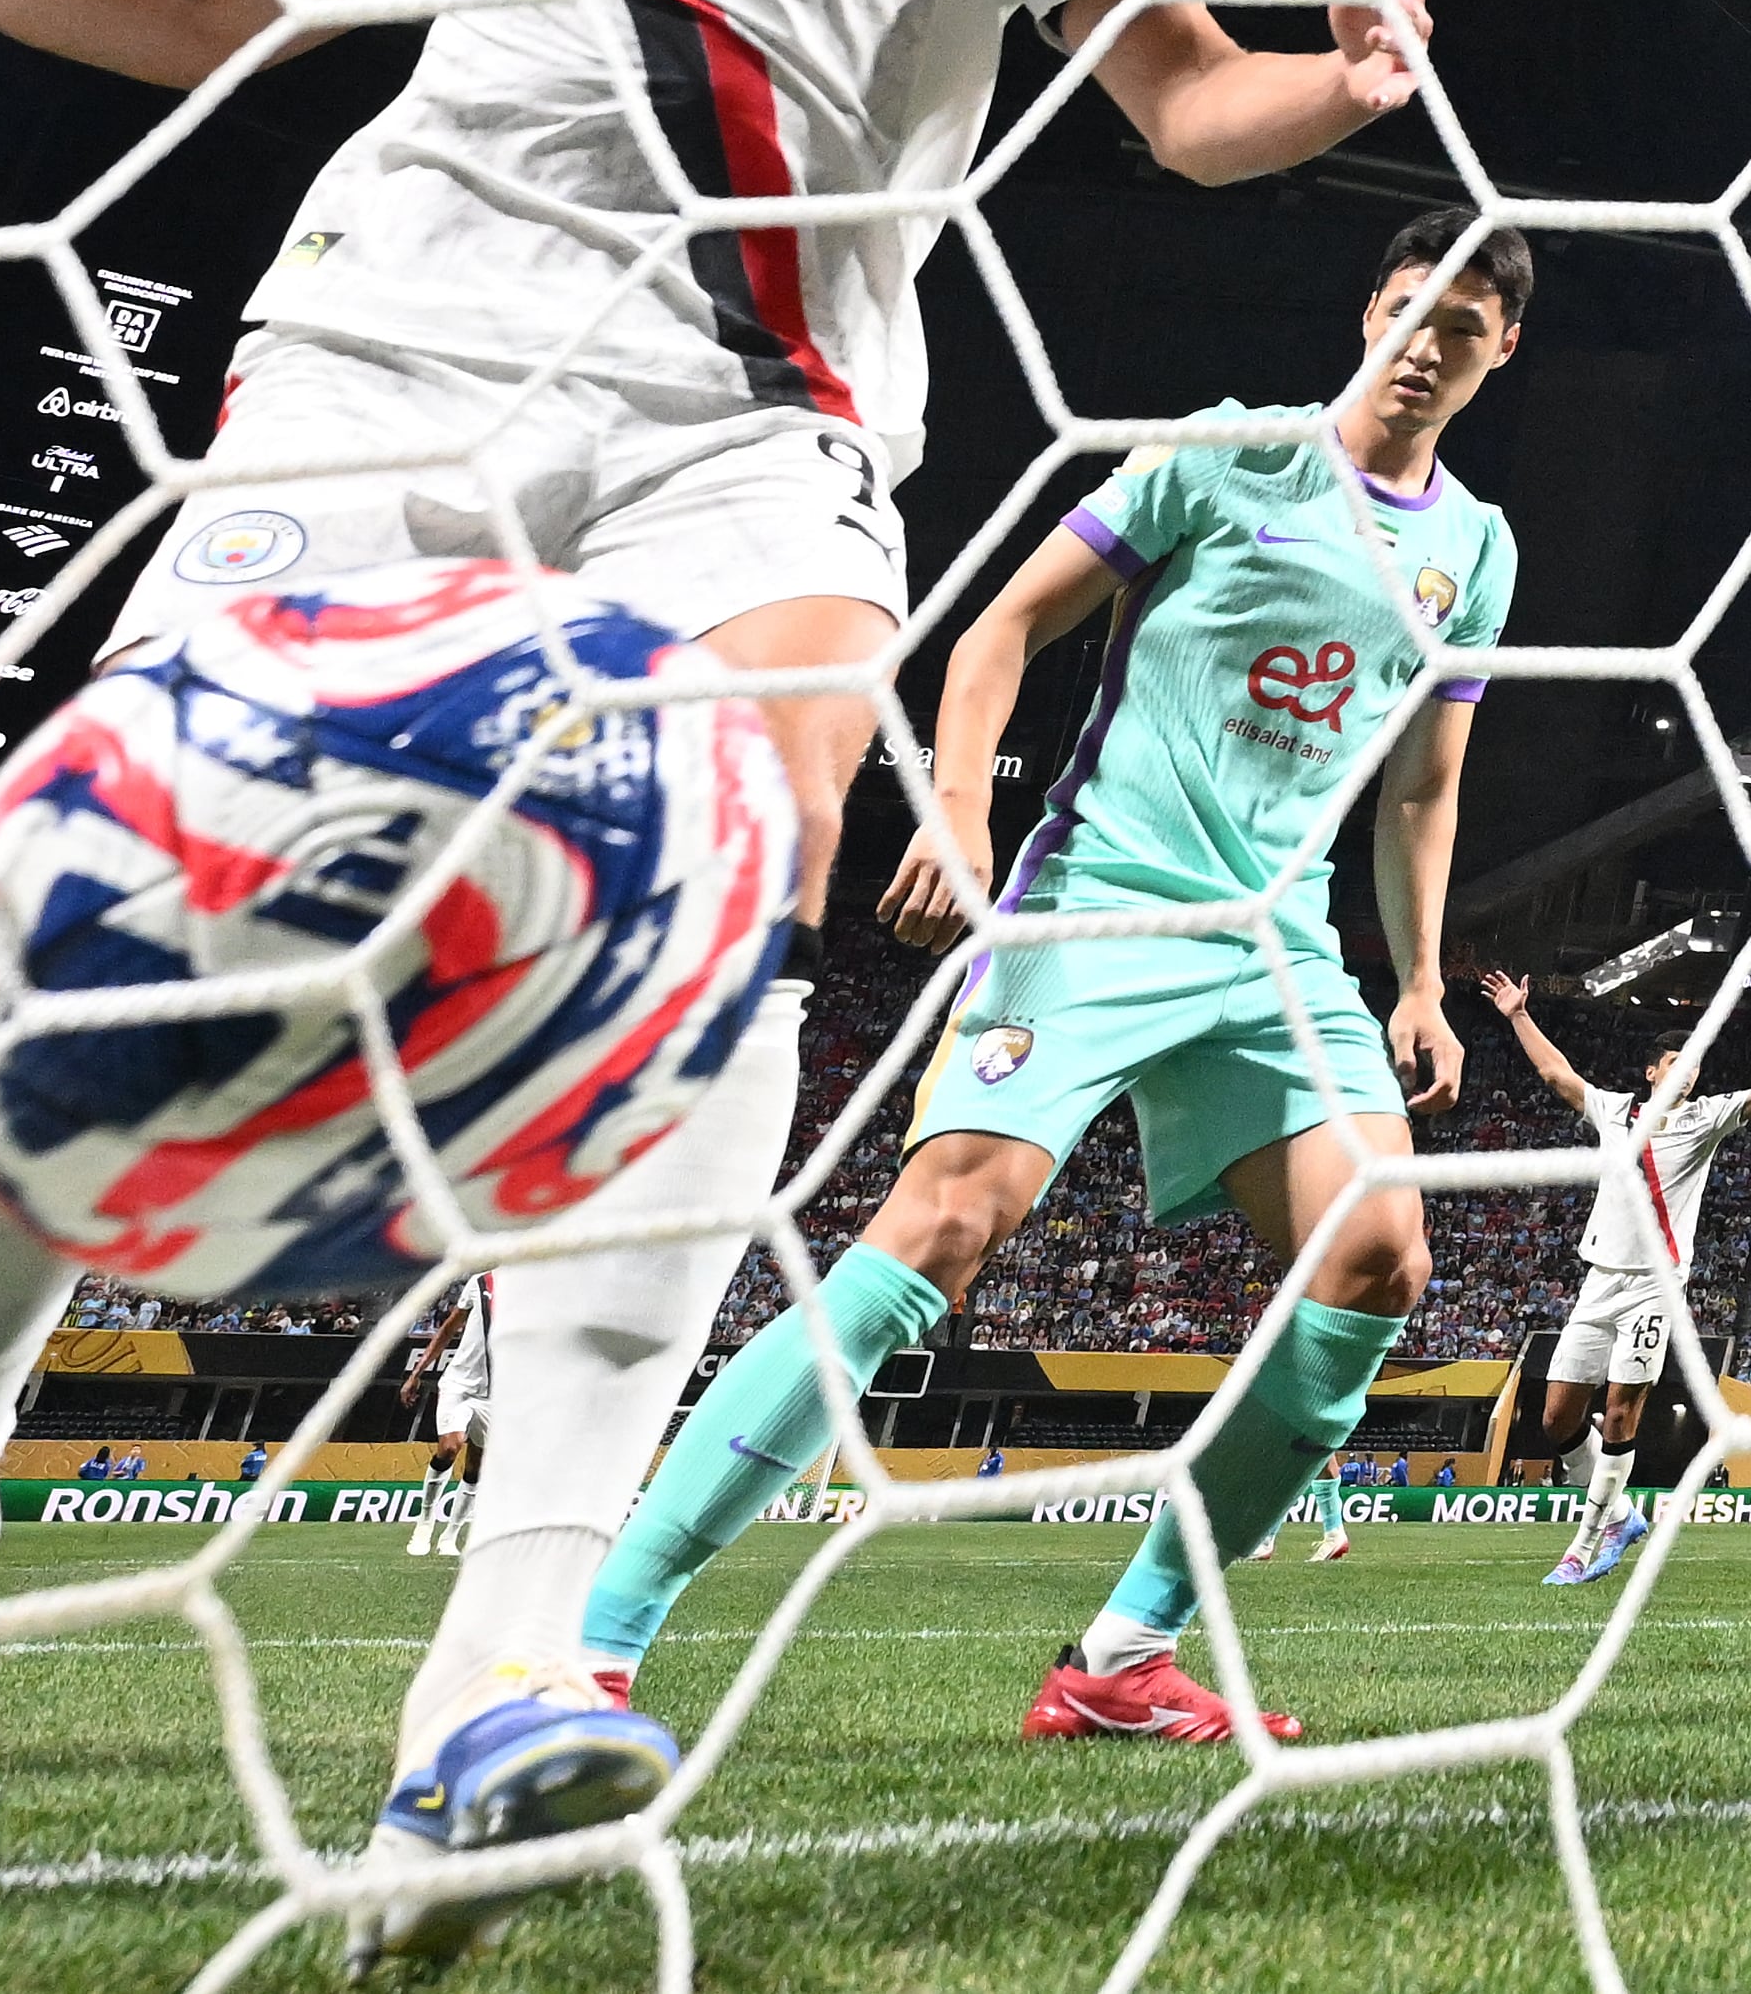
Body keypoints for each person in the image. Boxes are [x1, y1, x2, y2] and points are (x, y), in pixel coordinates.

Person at [0, 0, 1444, 1938]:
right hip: (381, 386)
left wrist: (1350, 82)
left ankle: (506, 1677)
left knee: (741, 845)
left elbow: (1183, 108)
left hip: (752, 429)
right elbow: (213, 4)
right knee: (72, 962)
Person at [571, 213, 1524, 1755]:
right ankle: (598, 1639)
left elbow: (1425, 784)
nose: (1426, 344)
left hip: (1278, 943)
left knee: (1377, 1257)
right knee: (945, 1222)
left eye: (1462, 326)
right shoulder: (1225, 455)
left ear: (1500, 352)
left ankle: (1124, 1651)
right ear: (1368, 310)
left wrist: (1419, 975)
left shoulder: (1473, 549)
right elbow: (1005, 623)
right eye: (1410, 309)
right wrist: (960, 807)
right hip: (1102, 901)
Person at [1486, 971, 1751, 1584]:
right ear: (1652, 1072)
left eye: (1695, 1065)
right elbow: (1557, 1076)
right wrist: (1517, 1015)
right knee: (1556, 1419)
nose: (1688, 1072)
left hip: (1654, 1285)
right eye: (1677, 1062)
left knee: (1620, 1412)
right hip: (1599, 1280)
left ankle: (1584, 1546)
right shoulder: (1615, 1111)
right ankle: (1619, 1514)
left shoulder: (1706, 1119)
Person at [402, 1273, 489, 1561]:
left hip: (498, 1392)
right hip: (460, 1383)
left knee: (476, 1466)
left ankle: (451, 1535)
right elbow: (447, 1330)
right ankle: (424, 1523)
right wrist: (417, 1372)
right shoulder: (480, 1283)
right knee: (450, 1447)